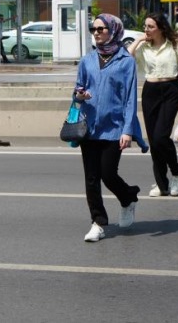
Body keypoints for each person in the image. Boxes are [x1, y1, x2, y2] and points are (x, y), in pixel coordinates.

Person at [73, 14, 148, 243]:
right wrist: (80, 95)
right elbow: (77, 89)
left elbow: (129, 99)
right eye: (92, 29)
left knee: (108, 174)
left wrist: (127, 130)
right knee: (91, 178)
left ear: (113, 30)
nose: (96, 32)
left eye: (100, 28)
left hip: (114, 128)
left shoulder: (125, 61)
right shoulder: (87, 60)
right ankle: (98, 222)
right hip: (90, 126)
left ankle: (128, 198)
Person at [128, 12, 178, 198]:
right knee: (154, 141)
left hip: (170, 90)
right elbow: (126, 56)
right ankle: (161, 183)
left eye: (150, 27)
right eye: (145, 27)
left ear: (161, 28)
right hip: (150, 92)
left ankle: (177, 174)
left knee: (161, 136)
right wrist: (139, 39)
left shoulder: (177, 45)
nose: (146, 30)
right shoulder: (144, 47)